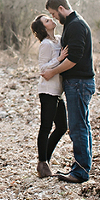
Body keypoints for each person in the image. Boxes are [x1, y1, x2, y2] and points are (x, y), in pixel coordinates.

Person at [40, 0, 95, 184]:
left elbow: (73, 59)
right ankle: (82, 167)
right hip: (78, 83)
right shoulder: (72, 25)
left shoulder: (76, 25)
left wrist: (53, 72)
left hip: (79, 83)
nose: (54, 18)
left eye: (54, 14)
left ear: (61, 9)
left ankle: (80, 172)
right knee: (82, 125)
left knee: (78, 127)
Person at [30, 14, 68, 178]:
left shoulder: (59, 39)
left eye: (50, 18)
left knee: (61, 127)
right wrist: (58, 59)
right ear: (43, 28)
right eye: (47, 21)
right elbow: (43, 69)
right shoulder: (45, 44)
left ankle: (45, 160)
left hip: (57, 91)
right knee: (46, 126)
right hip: (47, 91)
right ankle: (42, 162)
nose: (51, 20)